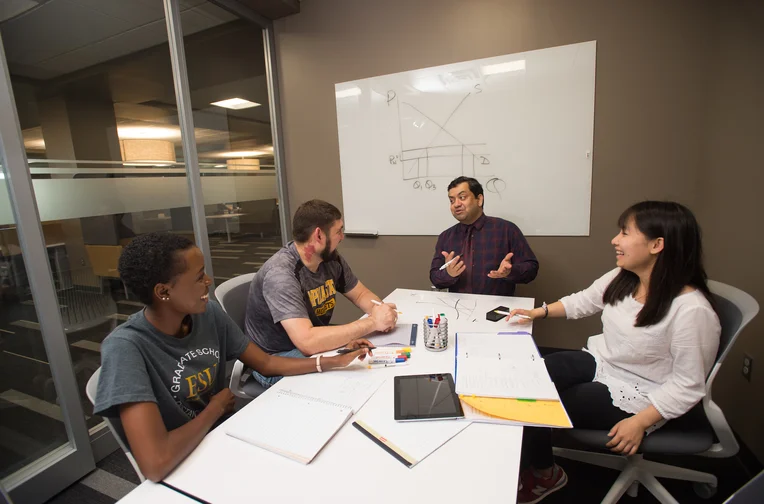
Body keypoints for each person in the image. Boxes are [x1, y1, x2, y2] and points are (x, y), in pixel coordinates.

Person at [93, 232, 371, 482]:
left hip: (224, 435)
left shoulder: (208, 315)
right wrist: (214, 409)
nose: (208, 281)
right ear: (163, 291)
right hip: (183, 465)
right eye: (199, 276)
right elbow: (156, 463)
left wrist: (332, 360)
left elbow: (267, 363)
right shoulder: (126, 349)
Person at [509, 201, 720, 503]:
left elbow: (688, 385)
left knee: (536, 404)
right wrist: (538, 313)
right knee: (530, 377)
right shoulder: (625, 277)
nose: (615, 240)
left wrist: (641, 422)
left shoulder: (692, 311)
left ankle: (545, 474)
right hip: (603, 363)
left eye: (624, 233)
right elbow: (584, 301)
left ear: (657, 245)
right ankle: (534, 464)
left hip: (644, 393)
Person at [245, 199, 398, 388]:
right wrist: (373, 322)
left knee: (367, 363)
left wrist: (381, 311)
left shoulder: (329, 259)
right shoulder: (281, 275)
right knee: (352, 380)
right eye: (338, 231)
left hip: (308, 347)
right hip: (277, 359)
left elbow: (360, 294)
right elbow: (307, 341)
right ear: (319, 235)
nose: (342, 237)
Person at [429, 176, 538, 295]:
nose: (456, 204)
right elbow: (435, 278)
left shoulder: (506, 229)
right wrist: (448, 274)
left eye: (462, 197)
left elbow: (531, 269)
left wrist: (510, 272)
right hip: (457, 308)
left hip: (497, 308)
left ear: (479, 199)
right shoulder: (446, 236)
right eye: (452, 200)